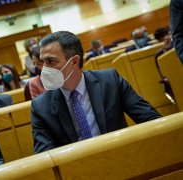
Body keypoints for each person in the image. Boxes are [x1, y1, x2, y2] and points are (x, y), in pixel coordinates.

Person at [31, 31, 161, 153]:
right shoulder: (40, 107)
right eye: (43, 62)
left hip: (123, 157)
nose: (44, 70)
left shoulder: (110, 81)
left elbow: (151, 120)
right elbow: (46, 157)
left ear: (74, 62)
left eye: (50, 61)